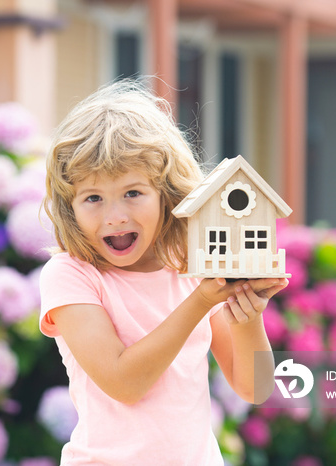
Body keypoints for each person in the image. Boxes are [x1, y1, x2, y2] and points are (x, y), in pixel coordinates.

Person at [39, 79, 288, 465]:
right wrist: (202, 299)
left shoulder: (191, 266)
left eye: (133, 193)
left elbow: (255, 387)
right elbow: (124, 383)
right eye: (93, 198)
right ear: (71, 207)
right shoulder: (72, 275)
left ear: (166, 195)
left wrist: (247, 315)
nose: (115, 216)